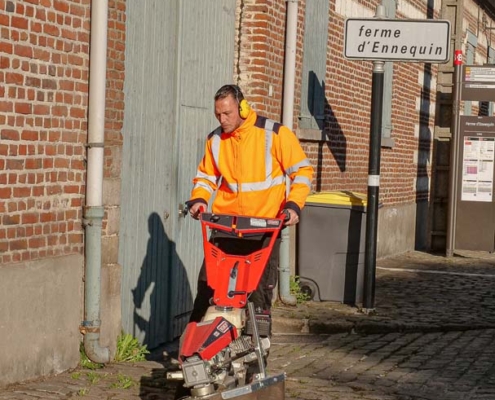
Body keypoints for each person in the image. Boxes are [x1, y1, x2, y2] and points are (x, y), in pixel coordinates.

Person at [186, 84, 314, 323]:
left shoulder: (274, 134)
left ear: (243, 108)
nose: (222, 120)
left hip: (264, 228)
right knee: (208, 288)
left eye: (227, 114)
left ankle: (258, 348)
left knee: (259, 294)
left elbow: (303, 171)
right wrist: (199, 200)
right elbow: (205, 176)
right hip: (226, 228)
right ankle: (195, 349)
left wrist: (293, 206)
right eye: (218, 114)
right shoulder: (215, 140)